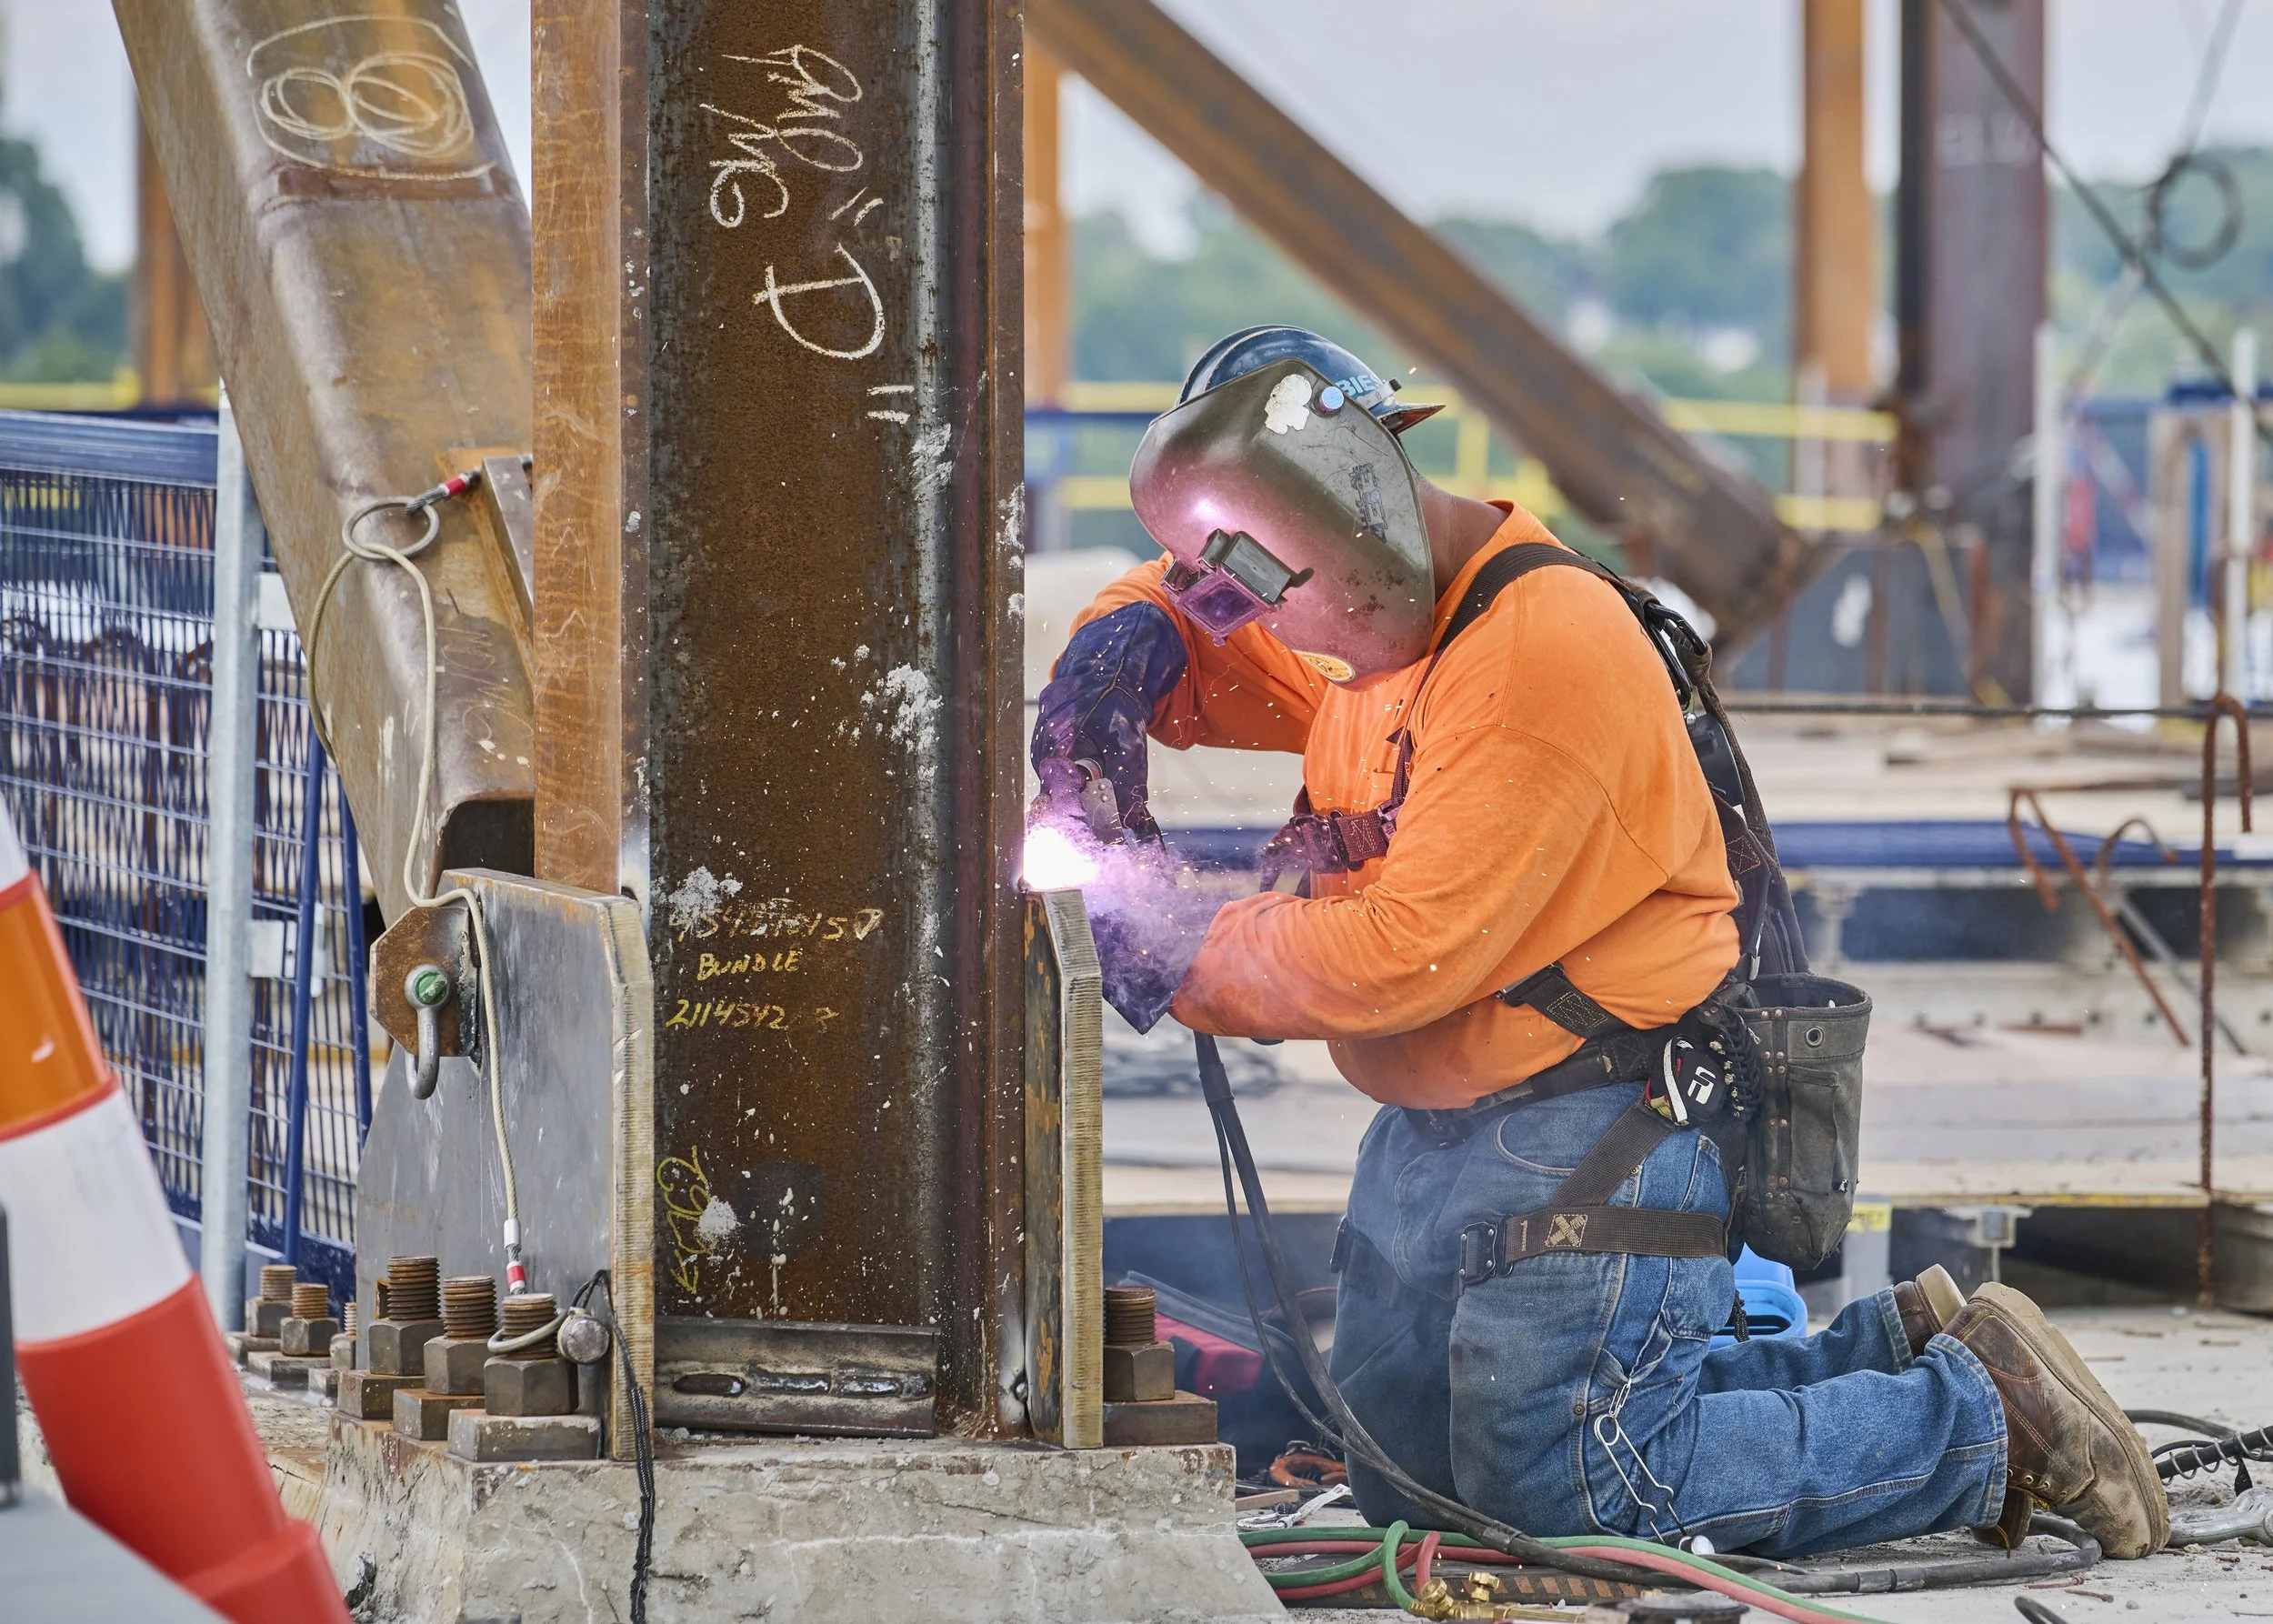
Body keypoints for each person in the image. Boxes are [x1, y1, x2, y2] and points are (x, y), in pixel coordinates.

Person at [1029, 326, 2167, 1559]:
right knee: (1408, 1483)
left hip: (1596, 1124)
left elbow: (1402, 949)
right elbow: (1225, 644)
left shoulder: (1533, 648)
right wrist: (1125, 642)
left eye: (1284, 585)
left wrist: (1170, 940)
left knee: (1573, 1497)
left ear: (1349, 507)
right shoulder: (1371, 627)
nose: (1287, 628)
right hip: (1440, 1129)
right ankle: (1891, 1348)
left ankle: (1982, 1423)